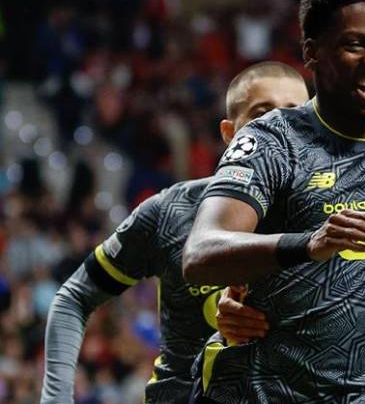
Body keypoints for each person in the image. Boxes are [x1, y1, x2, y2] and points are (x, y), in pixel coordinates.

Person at [181, 0, 365, 401]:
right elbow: (200, 254)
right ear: (312, 53)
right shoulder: (271, 141)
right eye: (356, 44)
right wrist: (309, 245)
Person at [40, 61, 310, 404]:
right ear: (230, 133)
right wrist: (55, 398)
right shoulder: (171, 212)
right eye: (262, 114)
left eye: (293, 114)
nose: (279, 126)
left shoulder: (334, 217)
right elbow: (74, 297)